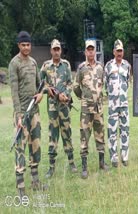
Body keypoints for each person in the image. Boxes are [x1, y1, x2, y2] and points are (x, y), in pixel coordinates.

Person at [9, 31, 46, 197]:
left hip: (35, 113)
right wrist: (18, 115)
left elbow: (40, 85)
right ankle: (21, 187)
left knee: (35, 147)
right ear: (18, 45)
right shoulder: (14, 64)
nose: (26, 47)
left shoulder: (33, 63)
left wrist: (40, 95)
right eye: (23, 45)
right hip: (22, 114)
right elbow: (14, 92)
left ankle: (36, 182)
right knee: (20, 150)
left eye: (28, 45)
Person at [40, 39, 77, 178]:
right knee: (53, 135)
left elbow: (70, 83)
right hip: (52, 108)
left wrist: (65, 94)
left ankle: (72, 162)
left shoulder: (66, 65)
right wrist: (47, 89)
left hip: (64, 106)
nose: (56, 52)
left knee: (67, 133)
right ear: (51, 51)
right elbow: (40, 84)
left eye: (58, 49)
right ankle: (51, 167)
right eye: (54, 49)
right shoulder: (45, 66)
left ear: (61, 50)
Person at [74, 40, 109, 179]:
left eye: (92, 49)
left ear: (95, 51)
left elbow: (103, 85)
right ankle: (84, 167)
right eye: (88, 50)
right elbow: (76, 87)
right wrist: (83, 98)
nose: (90, 52)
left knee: (100, 135)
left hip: (98, 108)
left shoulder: (101, 67)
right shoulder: (81, 68)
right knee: (84, 136)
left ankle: (101, 163)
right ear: (85, 52)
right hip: (86, 110)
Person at [104, 39, 131, 167]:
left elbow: (128, 83)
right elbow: (105, 85)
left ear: (123, 52)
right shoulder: (108, 66)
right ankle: (114, 158)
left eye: (121, 51)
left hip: (124, 105)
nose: (119, 53)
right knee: (112, 132)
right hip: (113, 106)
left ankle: (124, 157)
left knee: (125, 131)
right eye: (117, 51)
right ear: (113, 52)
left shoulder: (127, 66)